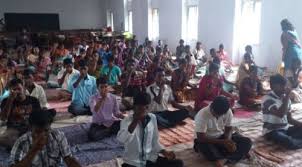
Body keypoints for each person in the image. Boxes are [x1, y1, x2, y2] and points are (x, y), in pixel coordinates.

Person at [117, 92, 184, 167]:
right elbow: (121, 139)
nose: (144, 111)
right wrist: (135, 121)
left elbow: (155, 141)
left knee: (178, 163)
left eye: (147, 107)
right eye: (140, 108)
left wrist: (164, 151)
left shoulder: (152, 118)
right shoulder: (126, 121)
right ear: (134, 107)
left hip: (149, 159)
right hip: (133, 162)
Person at [9, 109, 81, 167]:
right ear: (30, 128)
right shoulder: (22, 142)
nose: (42, 135)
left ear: (50, 127)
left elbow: (68, 159)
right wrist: (34, 149)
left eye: (46, 130)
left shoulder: (58, 136)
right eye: (37, 132)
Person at [194, 96, 252, 167]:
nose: (218, 116)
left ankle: (225, 159)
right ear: (212, 107)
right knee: (204, 148)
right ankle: (236, 155)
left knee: (247, 141)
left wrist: (228, 139)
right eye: (216, 113)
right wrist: (223, 142)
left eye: (221, 114)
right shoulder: (202, 114)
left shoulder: (227, 111)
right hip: (207, 140)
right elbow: (201, 138)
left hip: (222, 137)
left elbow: (229, 128)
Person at [262, 74, 302, 150]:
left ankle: (293, 140)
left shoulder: (286, 99)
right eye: (281, 85)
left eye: (285, 85)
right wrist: (287, 97)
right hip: (272, 131)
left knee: (296, 132)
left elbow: (289, 119)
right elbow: (280, 114)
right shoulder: (267, 98)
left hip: (285, 129)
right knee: (287, 141)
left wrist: (301, 124)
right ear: (272, 87)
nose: (285, 88)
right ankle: (292, 141)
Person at [0, 79, 41, 149]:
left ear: (24, 88)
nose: (17, 92)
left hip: (30, 129)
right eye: (14, 90)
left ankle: (22, 144)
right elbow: (3, 118)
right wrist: (10, 100)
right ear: (10, 91)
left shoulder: (33, 100)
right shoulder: (6, 101)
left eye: (19, 89)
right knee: (9, 139)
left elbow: (39, 118)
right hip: (13, 130)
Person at [88, 77, 124, 141]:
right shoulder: (93, 98)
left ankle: (109, 130)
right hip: (98, 124)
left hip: (111, 122)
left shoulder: (113, 97)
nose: (104, 89)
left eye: (106, 87)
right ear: (97, 88)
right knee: (92, 136)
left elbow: (116, 113)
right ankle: (109, 131)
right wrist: (102, 98)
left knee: (124, 126)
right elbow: (94, 111)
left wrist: (124, 117)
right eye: (101, 87)